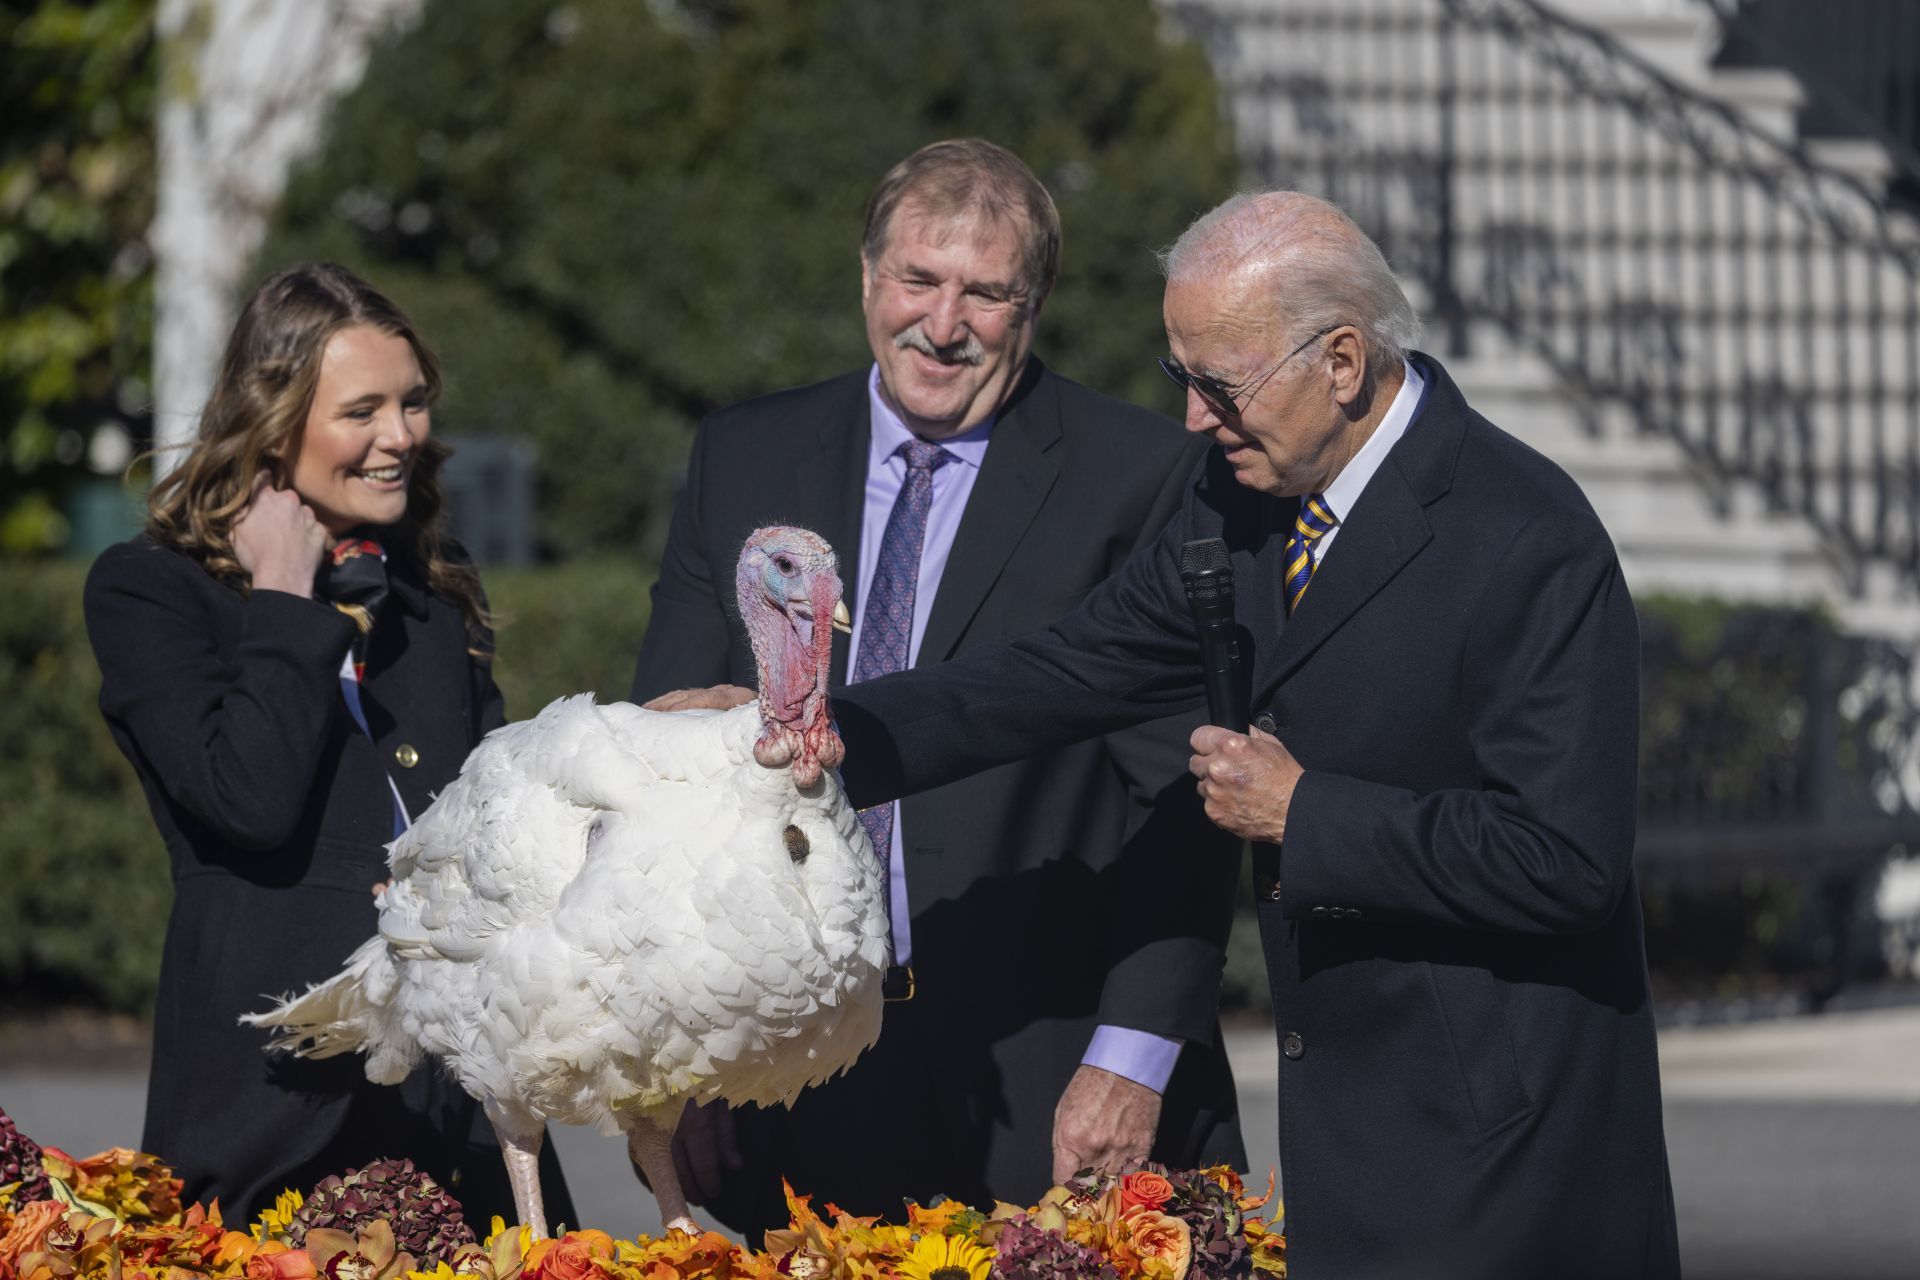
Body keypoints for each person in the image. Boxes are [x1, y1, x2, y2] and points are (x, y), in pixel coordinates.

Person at [692, 191, 1677, 1277]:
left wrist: (1306, 811)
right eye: (1183, 380)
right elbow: (1065, 671)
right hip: (1350, 1138)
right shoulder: (1241, 495)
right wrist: (828, 728)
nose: (1199, 419)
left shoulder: (1527, 536)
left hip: (1504, 1151)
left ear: (1342, 362)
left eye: (1222, 383)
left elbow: (1568, 859)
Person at [630, 139, 1246, 1232]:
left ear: (1035, 303)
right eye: (918, 279)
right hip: (790, 1077)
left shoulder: (1141, 478)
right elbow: (665, 768)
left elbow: (1185, 800)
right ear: (869, 277)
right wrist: (669, 1051)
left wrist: (1135, 1056)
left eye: (986, 292)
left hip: (1047, 1072)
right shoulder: (743, 454)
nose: (944, 322)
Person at [83, 263, 573, 1226]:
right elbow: (246, 803)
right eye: (364, 411)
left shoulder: (431, 589)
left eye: (413, 403)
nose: (402, 436)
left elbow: (502, 817)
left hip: (456, 1103)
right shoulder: (152, 590)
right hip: (270, 1104)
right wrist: (282, 598)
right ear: (274, 424)